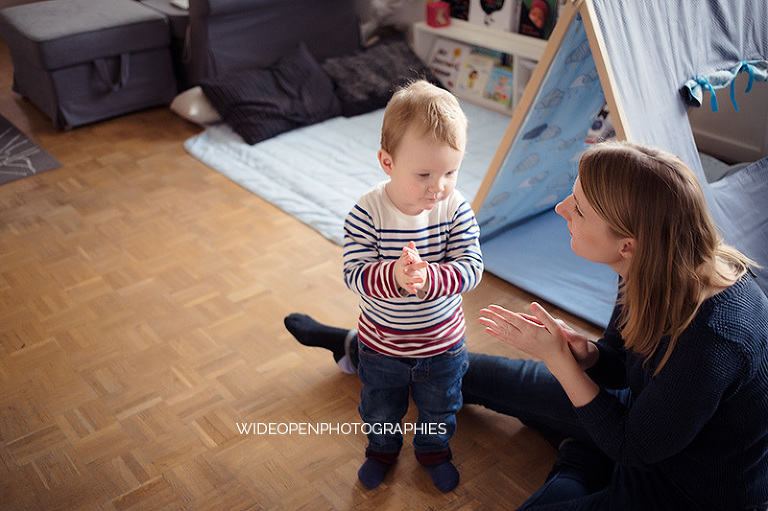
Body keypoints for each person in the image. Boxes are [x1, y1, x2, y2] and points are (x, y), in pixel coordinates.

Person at [285, 140, 768, 509]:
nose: (561, 209)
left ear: (629, 243)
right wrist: (587, 354)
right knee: (446, 366)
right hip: (636, 415)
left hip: (676, 485)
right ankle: (360, 349)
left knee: (583, 446)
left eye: (577, 208)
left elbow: (633, 446)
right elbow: (623, 363)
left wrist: (560, 361)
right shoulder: (653, 267)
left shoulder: (715, 337)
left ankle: (577, 460)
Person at [287, 80, 483, 493]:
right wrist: (393, 276)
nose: (439, 186)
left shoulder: (454, 207)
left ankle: (432, 451)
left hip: (442, 345)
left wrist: (432, 278)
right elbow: (353, 273)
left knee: (440, 407)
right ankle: (382, 449)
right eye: (425, 174)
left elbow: (472, 267)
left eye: (451, 171)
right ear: (387, 162)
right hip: (381, 347)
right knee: (380, 407)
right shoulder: (367, 212)